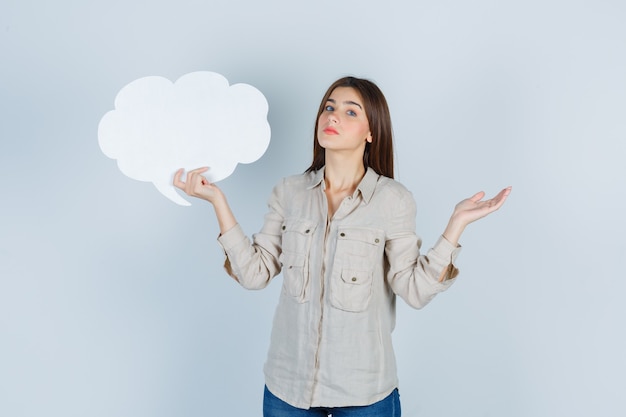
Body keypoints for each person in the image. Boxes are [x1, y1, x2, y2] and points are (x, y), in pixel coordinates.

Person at [173, 76, 511, 417]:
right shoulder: (289, 193)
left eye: (351, 112)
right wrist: (217, 201)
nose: (332, 117)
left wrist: (456, 225)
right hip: (287, 389)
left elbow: (414, 289)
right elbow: (255, 274)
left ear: (371, 131)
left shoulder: (393, 200)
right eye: (329, 108)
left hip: (365, 393)